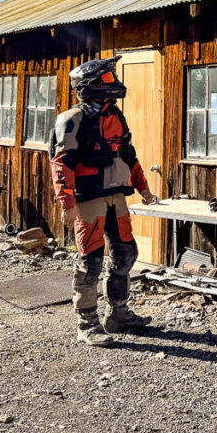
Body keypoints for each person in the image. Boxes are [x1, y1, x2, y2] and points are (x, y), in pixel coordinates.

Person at [49, 56, 158, 347]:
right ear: (89, 86)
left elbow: (128, 156)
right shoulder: (72, 119)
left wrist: (144, 189)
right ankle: (87, 324)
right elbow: (61, 162)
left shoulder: (115, 116)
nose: (113, 84)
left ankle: (118, 315)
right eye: (107, 80)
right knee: (91, 261)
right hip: (88, 199)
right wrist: (67, 202)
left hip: (115, 196)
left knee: (125, 254)